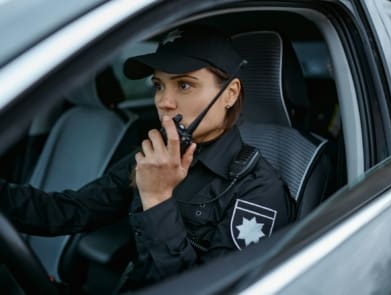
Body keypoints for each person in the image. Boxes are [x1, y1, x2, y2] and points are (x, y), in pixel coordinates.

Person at [0, 25, 294, 292]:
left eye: (184, 85)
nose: (163, 101)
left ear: (229, 94)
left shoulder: (258, 192)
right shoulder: (155, 154)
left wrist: (157, 199)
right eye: (158, 85)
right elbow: (72, 210)